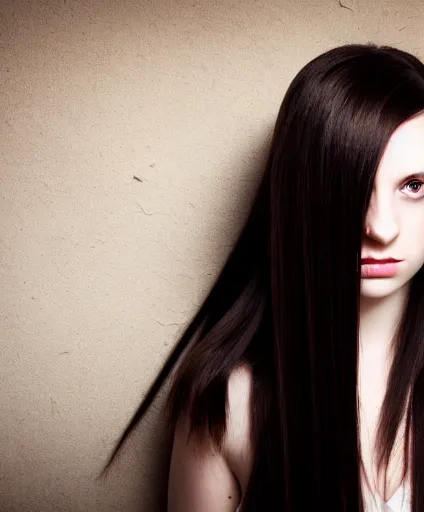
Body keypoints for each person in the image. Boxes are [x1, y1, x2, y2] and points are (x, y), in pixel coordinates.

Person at [99, 43, 424, 511]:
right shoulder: (224, 401)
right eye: (350, 188)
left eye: (413, 186)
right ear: (301, 196)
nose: (382, 228)